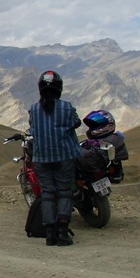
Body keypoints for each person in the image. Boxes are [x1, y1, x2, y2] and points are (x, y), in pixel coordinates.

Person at [28, 70, 81, 246]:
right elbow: (76, 123)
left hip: (41, 158)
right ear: (59, 88)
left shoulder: (33, 109)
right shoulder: (67, 107)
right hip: (63, 156)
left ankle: (50, 233)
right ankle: (63, 231)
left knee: (48, 194)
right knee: (64, 192)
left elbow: (32, 127)